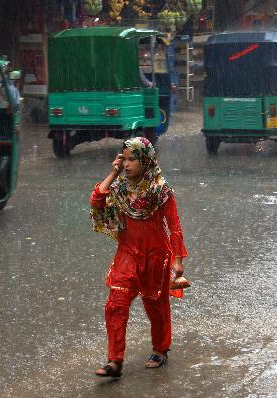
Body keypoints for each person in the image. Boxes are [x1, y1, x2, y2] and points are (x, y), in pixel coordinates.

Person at [90, 137, 188, 378]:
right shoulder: (121, 188)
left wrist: (178, 259)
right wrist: (112, 174)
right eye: (124, 159)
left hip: (155, 256)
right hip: (127, 254)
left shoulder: (160, 189)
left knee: (156, 306)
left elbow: (173, 226)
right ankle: (115, 360)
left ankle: (160, 349)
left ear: (145, 160)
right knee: (115, 305)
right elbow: (97, 200)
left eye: (132, 159)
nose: (126, 164)